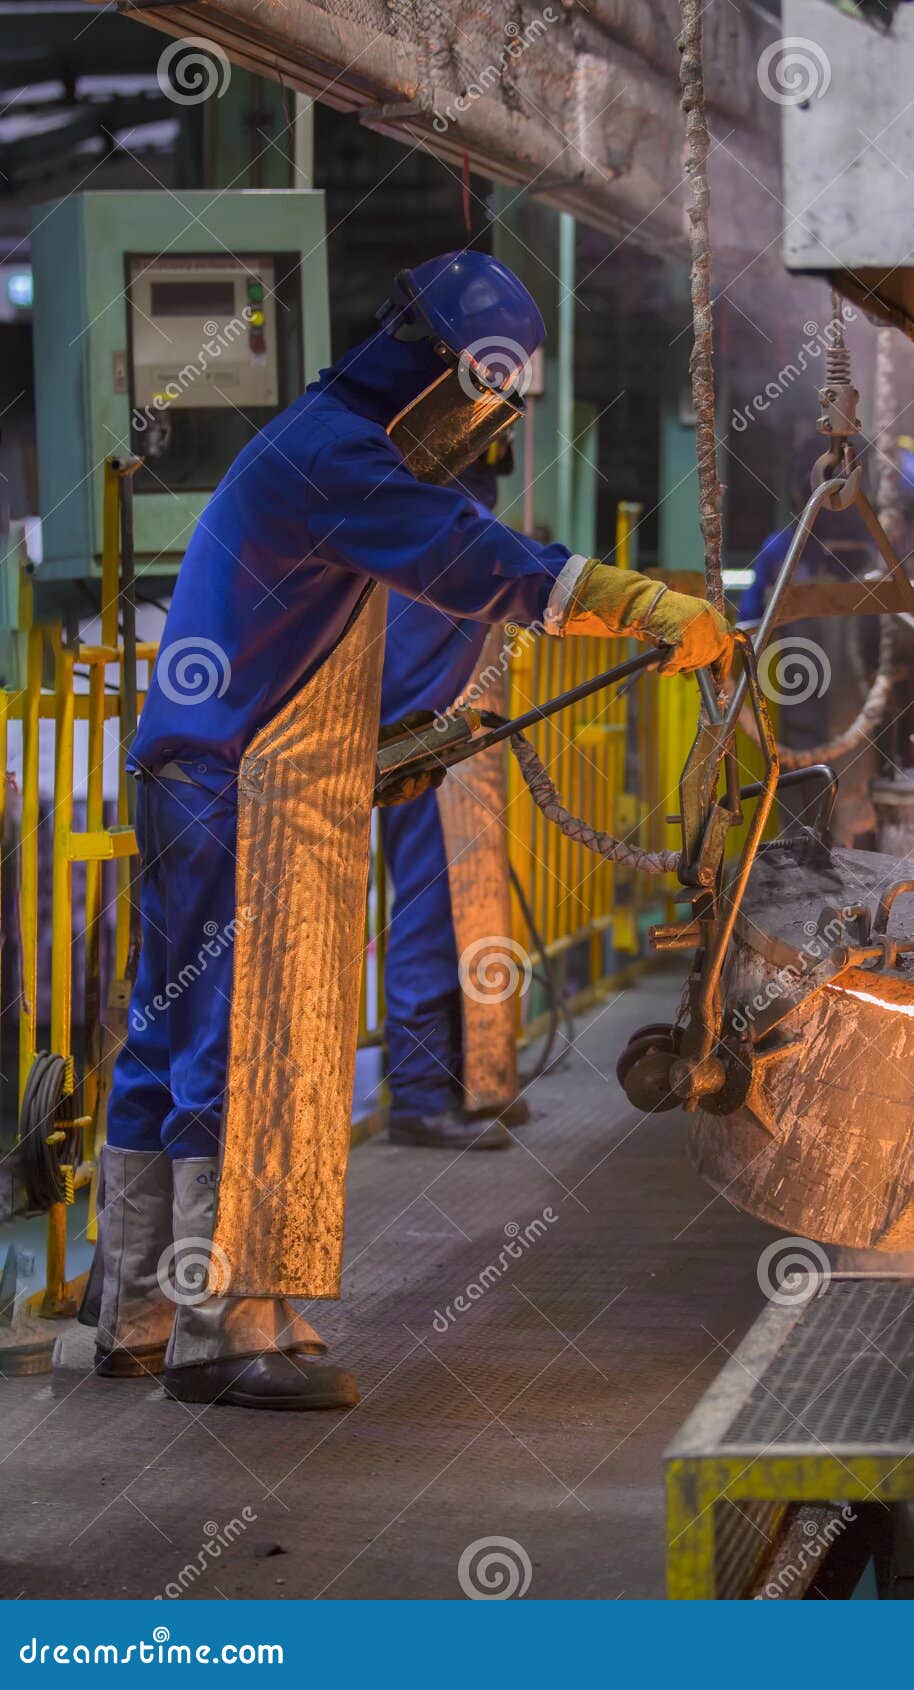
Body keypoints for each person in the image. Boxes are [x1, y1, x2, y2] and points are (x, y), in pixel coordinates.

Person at [83, 251, 732, 1411]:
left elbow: (294, 640)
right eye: (483, 401)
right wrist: (631, 600)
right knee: (243, 1046)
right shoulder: (334, 453)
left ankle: (136, 1310)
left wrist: (364, 758)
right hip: (239, 787)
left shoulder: (315, 445)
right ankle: (228, 1325)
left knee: (167, 1039)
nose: (481, 429)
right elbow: (469, 558)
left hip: (205, 770)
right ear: (441, 369)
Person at [377, 443, 520, 1151]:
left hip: (431, 749)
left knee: (449, 911)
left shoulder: (414, 531)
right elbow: (535, 576)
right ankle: (420, 1095)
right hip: (418, 756)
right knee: (430, 915)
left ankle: (462, 1079)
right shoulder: (448, 535)